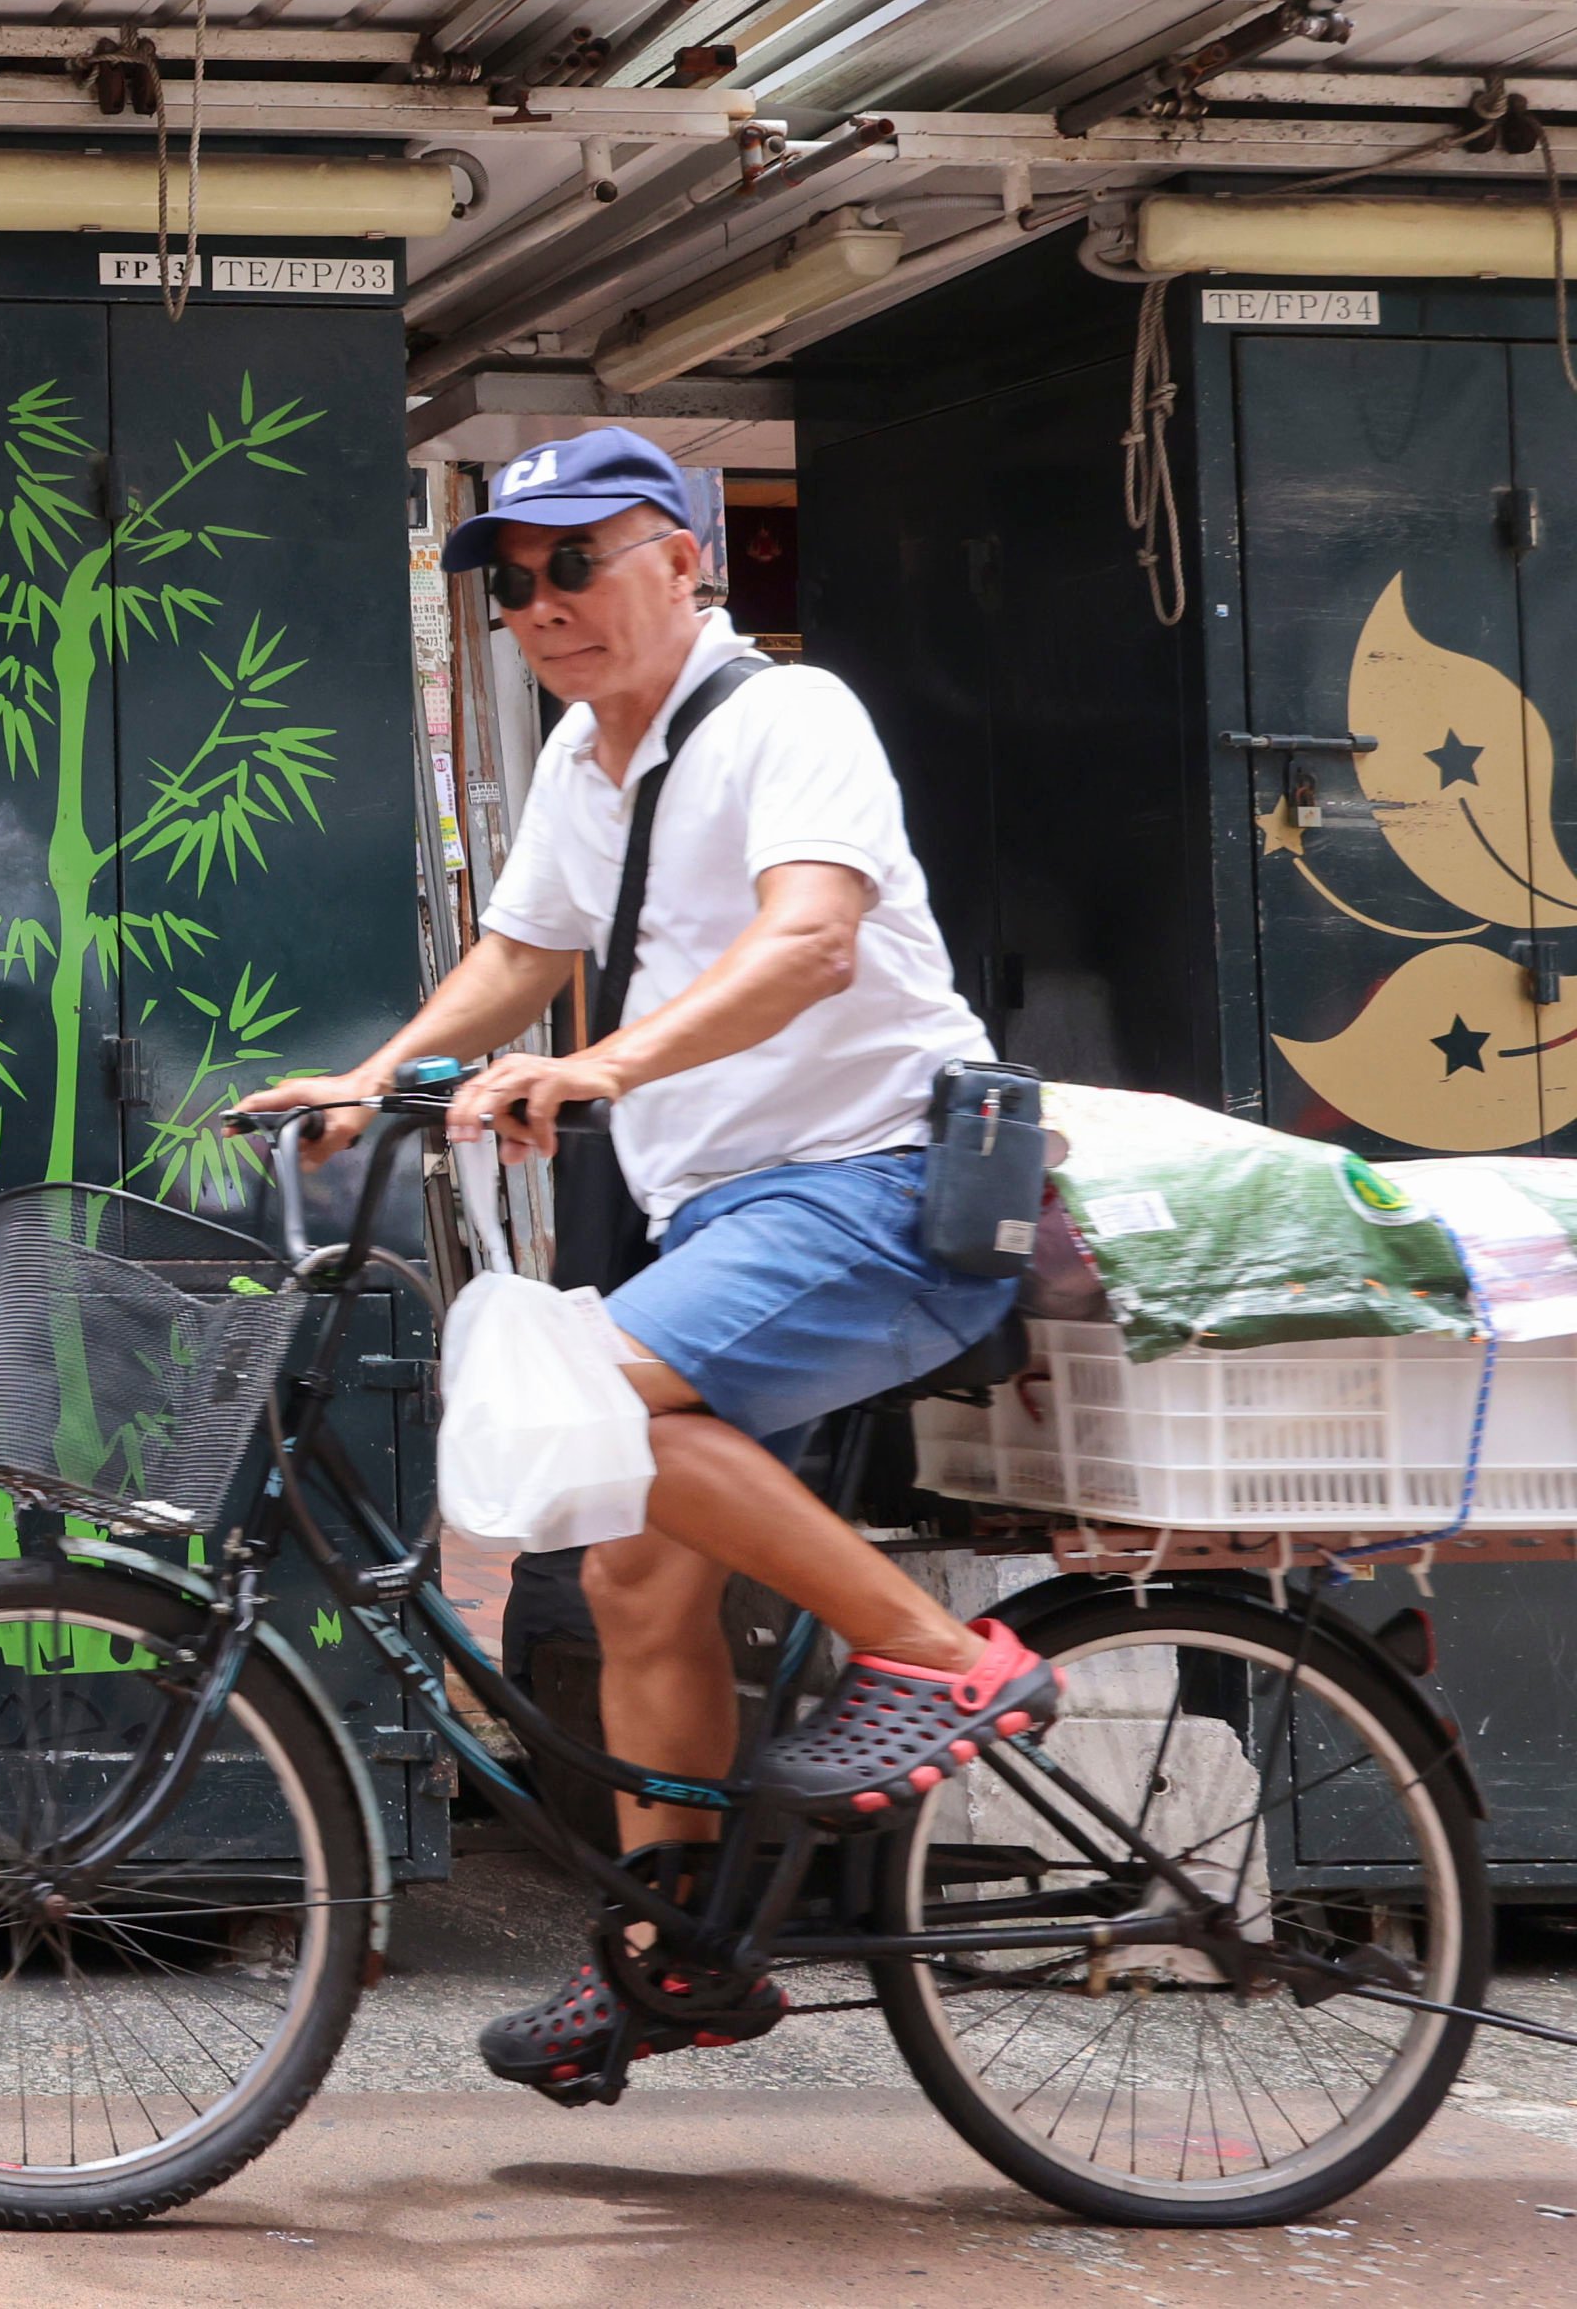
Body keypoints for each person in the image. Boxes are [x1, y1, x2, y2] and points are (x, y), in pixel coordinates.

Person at [233, 427, 1057, 2101]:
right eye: (516, 580)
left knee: (594, 1404)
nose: (544, 605)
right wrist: (383, 1082)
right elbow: (527, 950)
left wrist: (606, 1070)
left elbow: (811, 936)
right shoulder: (582, 763)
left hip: (885, 1182)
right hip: (737, 1216)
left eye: (579, 561)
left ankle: (948, 1657)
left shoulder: (788, 718)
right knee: (629, 1568)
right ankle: (675, 1950)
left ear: (692, 560)